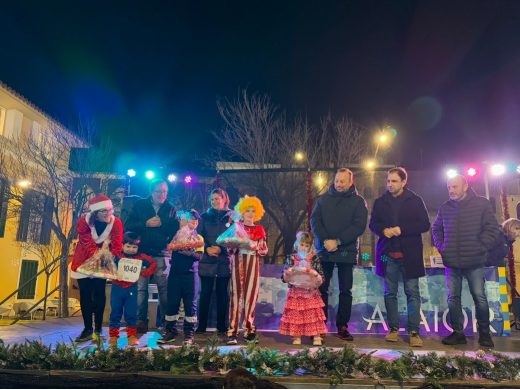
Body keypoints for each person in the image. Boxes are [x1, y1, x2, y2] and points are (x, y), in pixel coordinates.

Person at [432, 174, 500, 348]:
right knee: (453, 298)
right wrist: (442, 247)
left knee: (479, 297)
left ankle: (485, 334)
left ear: (465, 186)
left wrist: (480, 247)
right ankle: (458, 333)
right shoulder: (445, 207)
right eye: (449, 187)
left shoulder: (482, 204)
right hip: (452, 261)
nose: (451, 190)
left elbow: (492, 229)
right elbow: (436, 228)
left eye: (455, 187)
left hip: (475, 260)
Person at [369, 167, 430, 347]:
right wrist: (383, 231)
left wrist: (402, 230)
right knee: (390, 293)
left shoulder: (415, 200)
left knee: (412, 293)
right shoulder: (380, 202)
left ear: (404, 182)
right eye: (388, 181)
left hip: (409, 255)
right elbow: (373, 224)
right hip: (387, 255)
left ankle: (413, 332)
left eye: (394, 181)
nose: (390, 184)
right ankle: (393, 329)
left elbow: (425, 224)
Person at [310, 168, 368, 341]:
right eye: (336, 180)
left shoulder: (358, 202)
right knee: (321, 288)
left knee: (345, 290)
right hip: (325, 250)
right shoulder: (322, 200)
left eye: (343, 181)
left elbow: (359, 226)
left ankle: (342, 326)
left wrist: (338, 241)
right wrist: (326, 240)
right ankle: (320, 325)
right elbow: (314, 221)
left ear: (351, 182)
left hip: (346, 252)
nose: (339, 184)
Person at [125, 179, 179, 333]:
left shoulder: (170, 208)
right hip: (142, 253)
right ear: (151, 192)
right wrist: (145, 224)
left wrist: (163, 224)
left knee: (164, 290)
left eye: (164, 191)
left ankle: (165, 322)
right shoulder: (140, 205)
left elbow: (175, 230)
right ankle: (141, 321)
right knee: (141, 289)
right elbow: (129, 225)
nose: (162, 194)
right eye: (158, 191)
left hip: (162, 254)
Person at [71, 194, 123, 342]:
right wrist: (98, 255)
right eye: (104, 211)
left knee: (100, 294)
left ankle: (98, 329)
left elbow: (118, 245)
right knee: (86, 295)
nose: (108, 214)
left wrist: (108, 257)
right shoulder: (83, 222)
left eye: (110, 210)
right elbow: (86, 243)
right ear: (95, 213)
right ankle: (88, 328)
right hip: (83, 260)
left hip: (103, 261)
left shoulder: (116, 223)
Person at [226, 195, 268, 345]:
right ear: (242, 212)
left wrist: (255, 246)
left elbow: (264, 250)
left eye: (253, 211)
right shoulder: (236, 228)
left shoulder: (259, 229)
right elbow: (229, 249)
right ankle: (232, 331)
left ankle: (249, 330)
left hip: (253, 265)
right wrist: (235, 245)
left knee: (251, 297)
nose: (250, 214)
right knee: (236, 297)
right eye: (247, 210)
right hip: (237, 264)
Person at [159, 210, 204, 344]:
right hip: (175, 274)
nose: (194, 223)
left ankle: (189, 334)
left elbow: (200, 256)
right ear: (183, 221)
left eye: (196, 221)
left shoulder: (199, 238)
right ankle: (170, 331)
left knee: (191, 305)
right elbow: (169, 248)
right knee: (172, 303)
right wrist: (177, 246)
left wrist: (188, 252)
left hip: (191, 275)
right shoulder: (176, 235)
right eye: (191, 220)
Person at [109, 232, 156, 347]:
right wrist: (111, 272)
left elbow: (153, 264)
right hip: (117, 287)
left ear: (138, 247)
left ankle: (131, 336)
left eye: (134, 247)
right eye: (128, 246)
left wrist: (144, 273)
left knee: (131, 313)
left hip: (131, 288)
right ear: (122, 245)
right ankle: (113, 336)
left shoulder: (141, 257)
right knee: (115, 312)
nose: (131, 249)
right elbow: (105, 263)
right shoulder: (116, 255)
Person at [279, 231, 327, 346]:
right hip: (296, 293)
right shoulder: (291, 258)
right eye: (302, 244)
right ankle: (296, 336)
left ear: (310, 247)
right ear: (297, 244)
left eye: (307, 245)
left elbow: (322, 277)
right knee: (297, 315)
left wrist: (316, 276)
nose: (304, 248)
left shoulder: (314, 259)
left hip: (311, 292)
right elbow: (283, 277)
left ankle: (316, 336)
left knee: (313, 315)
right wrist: (288, 273)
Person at [197, 188, 233, 335]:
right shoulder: (204, 217)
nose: (215, 201)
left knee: (222, 295)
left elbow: (235, 239)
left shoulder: (231, 217)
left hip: (224, 261)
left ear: (224, 199)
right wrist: (206, 249)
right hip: (207, 261)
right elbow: (198, 236)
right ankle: (201, 326)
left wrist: (221, 250)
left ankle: (222, 326)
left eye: (217, 198)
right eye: (212, 199)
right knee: (205, 294)